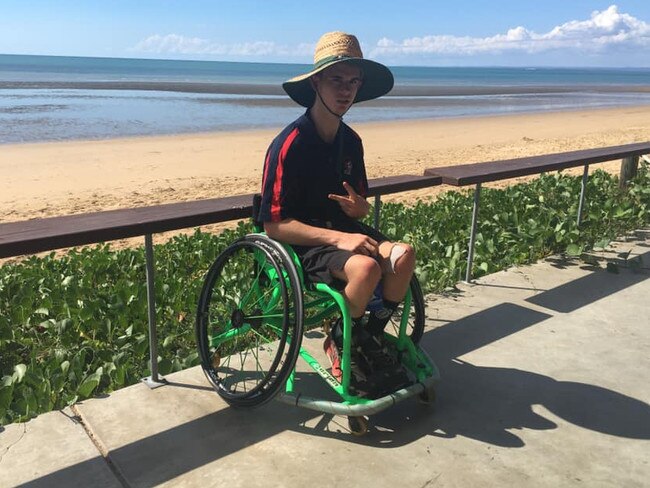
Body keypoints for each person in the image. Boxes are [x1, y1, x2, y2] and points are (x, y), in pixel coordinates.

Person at [258, 31, 415, 394]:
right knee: (366, 267)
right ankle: (345, 339)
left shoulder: (351, 141)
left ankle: (359, 336)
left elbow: (358, 205)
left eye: (353, 81)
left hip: (346, 232)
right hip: (306, 241)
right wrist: (341, 236)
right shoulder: (289, 144)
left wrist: (359, 209)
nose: (346, 90)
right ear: (316, 82)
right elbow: (274, 224)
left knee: (404, 256)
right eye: (336, 80)